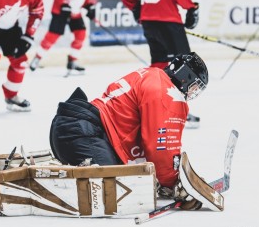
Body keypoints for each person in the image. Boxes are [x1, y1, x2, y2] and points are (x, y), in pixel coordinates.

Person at [49, 52, 208, 207]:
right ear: (184, 76)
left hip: (73, 129)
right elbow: (160, 148)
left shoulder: (152, 74)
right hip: (83, 135)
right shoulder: (168, 91)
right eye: (194, 86)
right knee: (112, 191)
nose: (192, 92)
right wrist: (176, 183)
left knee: (126, 180)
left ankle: (73, 168)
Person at [117, 0, 199, 70]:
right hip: (168, 19)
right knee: (184, 65)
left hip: (148, 21)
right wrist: (190, 7)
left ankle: (156, 86)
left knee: (159, 63)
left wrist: (136, 8)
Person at [29, 0, 98, 75]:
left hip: (75, 11)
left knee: (80, 33)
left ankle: (72, 61)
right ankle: (37, 58)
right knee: (53, 35)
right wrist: (64, 5)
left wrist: (88, 5)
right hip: (61, 10)